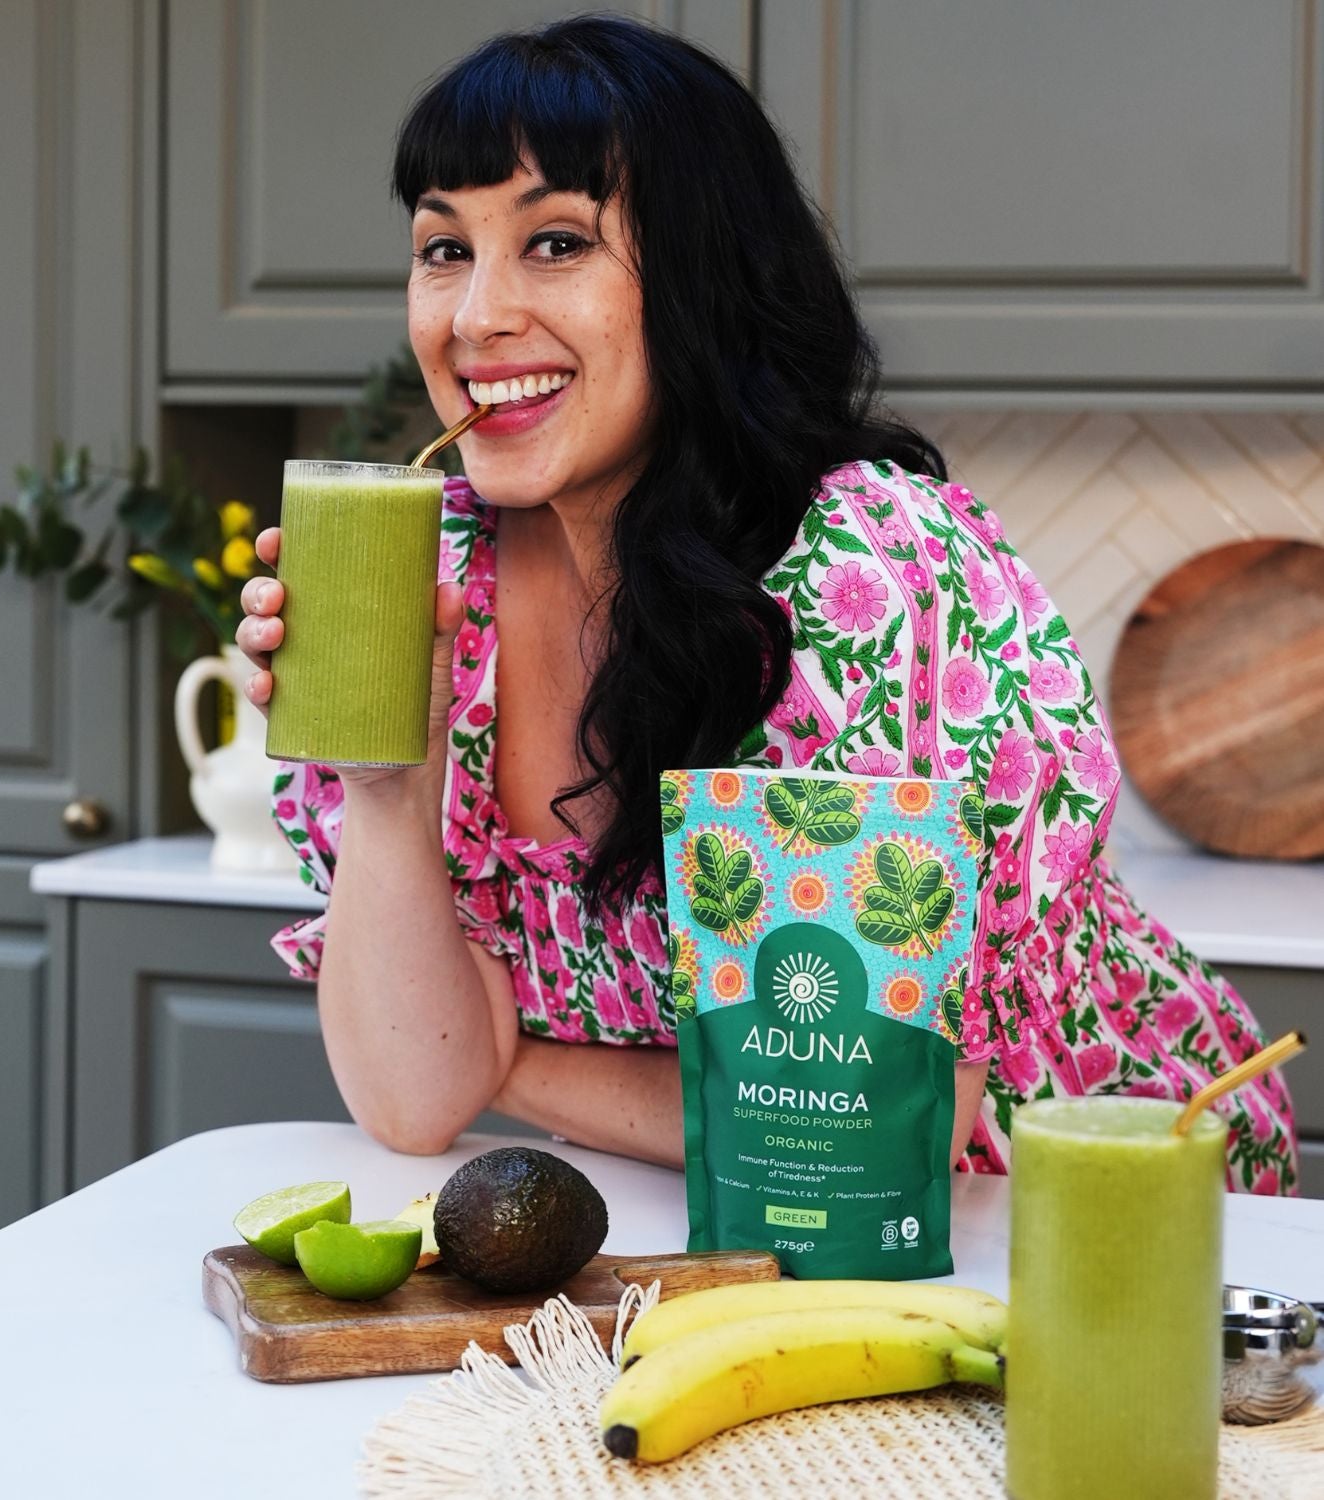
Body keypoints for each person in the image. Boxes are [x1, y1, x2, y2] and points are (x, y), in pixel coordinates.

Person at [235, 16, 1298, 1192]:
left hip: (1073, 1198)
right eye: (444, 249)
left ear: (703, 274)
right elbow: (412, 1097)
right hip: (726, 1215)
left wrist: (505, 1060)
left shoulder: (851, 573)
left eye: (556, 242)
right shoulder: (443, 578)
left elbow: (874, 1121)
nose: (475, 316)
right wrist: (390, 782)